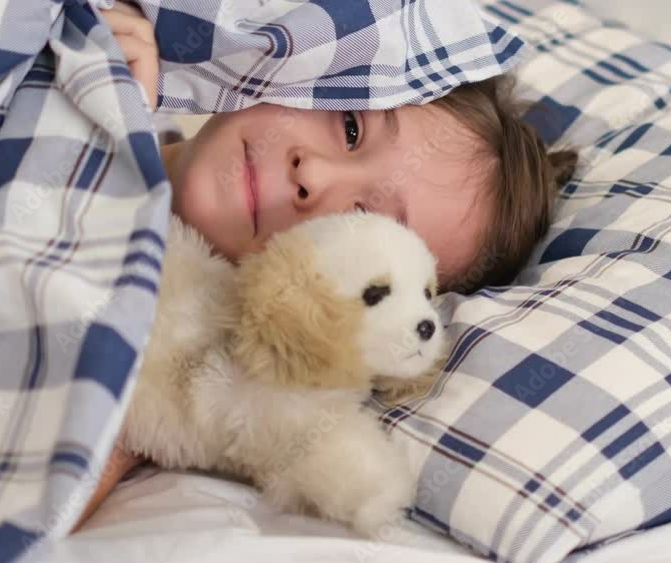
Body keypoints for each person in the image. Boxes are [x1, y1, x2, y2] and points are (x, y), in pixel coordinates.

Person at [72, 2, 578, 532]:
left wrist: (123, 408)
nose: (312, 174)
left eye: (360, 221)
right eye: (353, 129)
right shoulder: (116, 63)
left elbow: (21, 486)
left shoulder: (160, 369)